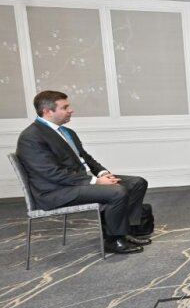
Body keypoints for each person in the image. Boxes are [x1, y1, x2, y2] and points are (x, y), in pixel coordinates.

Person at [16, 90, 150, 255]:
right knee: (117, 192)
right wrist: (95, 182)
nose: (71, 110)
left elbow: (86, 158)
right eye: (65, 107)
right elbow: (52, 174)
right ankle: (114, 240)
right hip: (55, 191)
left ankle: (126, 231)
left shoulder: (66, 132)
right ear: (48, 111)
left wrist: (102, 174)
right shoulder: (31, 137)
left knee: (137, 183)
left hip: (77, 182)